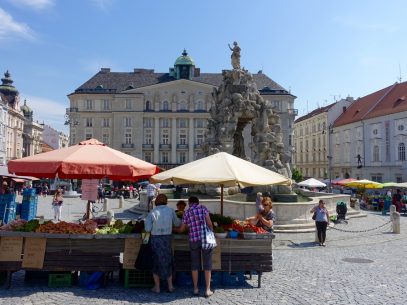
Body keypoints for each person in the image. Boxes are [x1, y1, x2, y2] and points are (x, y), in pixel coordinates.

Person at [177, 196, 214, 298]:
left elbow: (182, 229)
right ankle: (207, 290)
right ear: (198, 202)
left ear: (189, 203)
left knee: (194, 265)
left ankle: (195, 288)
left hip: (193, 240)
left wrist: (174, 229)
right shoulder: (203, 208)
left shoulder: (187, 212)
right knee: (207, 264)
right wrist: (211, 231)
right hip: (205, 239)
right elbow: (209, 223)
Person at [144, 194, 181, 293]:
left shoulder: (153, 212)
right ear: (166, 201)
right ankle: (170, 286)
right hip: (167, 239)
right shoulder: (171, 211)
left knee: (156, 261)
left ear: (156, 202)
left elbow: (147, 229)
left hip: (155, 239)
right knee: (168, 261)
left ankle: (157, 287)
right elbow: (177, 223)